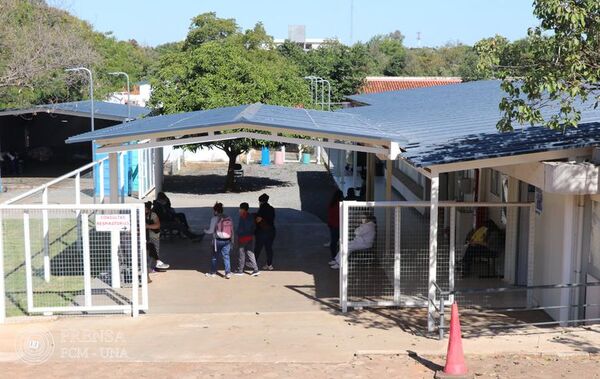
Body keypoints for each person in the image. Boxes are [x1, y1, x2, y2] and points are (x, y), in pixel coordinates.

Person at [204, 202, 233, 279]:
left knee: (214, 257)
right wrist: (232, 241)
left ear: (215, 211)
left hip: (217, 241)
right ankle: (228, 273)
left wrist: (205, 231)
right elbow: (231, 230)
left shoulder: (214, 219)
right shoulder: (228, 217)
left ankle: (213, 272)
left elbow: (210, 231)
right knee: (226, 256)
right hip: (227, 240)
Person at [234, 202, 260, 276]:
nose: (239, 210)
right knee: (250, 253)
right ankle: (256, 269)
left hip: (243, 238)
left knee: (241, 254)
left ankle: (240, 270)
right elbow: (253, 227)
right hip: (250, 237)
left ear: (243, 209)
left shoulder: (242, 217)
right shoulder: (251, 216)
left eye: (240, 209)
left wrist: (237, 233)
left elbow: (241, 228)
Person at [145, 201, 170, 270]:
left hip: (153, 236)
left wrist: (147, 226)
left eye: (146, 210)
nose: (145, 211)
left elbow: (157, 225)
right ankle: (155, 264)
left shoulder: (153, 215)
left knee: (153, 251)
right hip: (144, 238)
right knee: (149, 252)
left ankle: (155, 264)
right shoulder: (138, 215)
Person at [254, 193, 276, 271]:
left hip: (262, 231)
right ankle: (269, 265)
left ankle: (254, 264)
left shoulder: (262, 209)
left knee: (258, 248)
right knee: (269, 248)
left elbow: (258, 219)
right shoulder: (272, 208)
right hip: (271, 231)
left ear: (261, 201)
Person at [326, 190, 343, 265]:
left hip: (332, 225)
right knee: (340, 242)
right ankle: (338, 259)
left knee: (333, 242)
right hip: (339, 226)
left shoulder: (332, 204)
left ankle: (334, 258)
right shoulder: (341, 205)